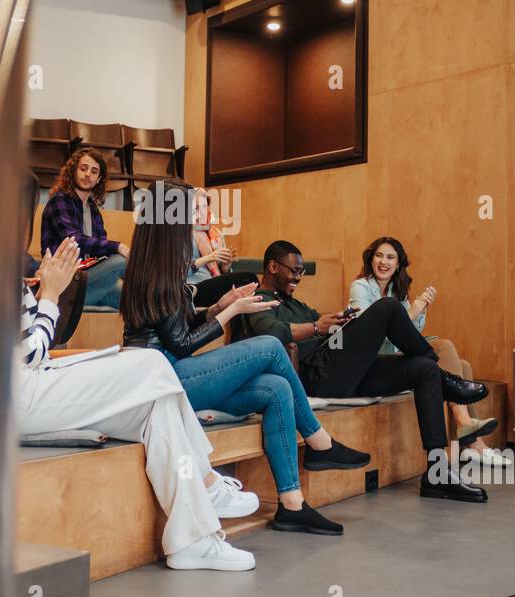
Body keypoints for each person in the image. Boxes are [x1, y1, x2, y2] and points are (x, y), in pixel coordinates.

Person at [17, 177, 262, 571]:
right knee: (151, 364)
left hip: (30, 384)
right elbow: (30, 351)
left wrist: (45, 295)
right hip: (15, 396)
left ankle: (192, 540)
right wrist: (49, 297)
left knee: (156, 410)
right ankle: (206, 480)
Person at [122, 179, 370, 536]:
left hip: (170, 373)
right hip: (164, 381)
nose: (197, 215)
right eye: (190, 208)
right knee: (270, 345)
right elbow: (179, 345)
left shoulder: (155, 264)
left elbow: (173, 326)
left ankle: (292, 505)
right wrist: (231, 311)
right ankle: (319, 441)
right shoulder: (160, 271)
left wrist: (217, 308)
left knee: (274, 389)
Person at [234, 240, 491, 503]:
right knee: (388, 307)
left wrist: (339, 322)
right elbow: (271, 333)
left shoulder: (294, 303)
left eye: (301, 272)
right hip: (316, 375)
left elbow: (320, 324)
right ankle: (446, 380)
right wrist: (316, 327)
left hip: (339, 368)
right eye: (294, 271)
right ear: (273, 267)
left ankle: (437, 475)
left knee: (423, 369)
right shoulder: (256, 300)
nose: (298, 277)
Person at [349, 237, 508, 467]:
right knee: (444, 348)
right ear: (371, 259)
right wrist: (411, 314)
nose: (384, 261)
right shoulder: (360, 287)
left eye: (390, 257)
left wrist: (421, 310)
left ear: (398, 264)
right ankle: (470, 437)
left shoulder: (398, 290)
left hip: (396, 352)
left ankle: (471, 442)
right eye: (379, 255)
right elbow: (369, 334)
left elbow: (408, 333)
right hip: (375, 359)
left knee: (463, 366)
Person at [41, 148, 129, 309]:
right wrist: (118, 246)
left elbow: (100, 248)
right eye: (83, 168)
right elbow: (74, 240)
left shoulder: (93, 209)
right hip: (64, 283)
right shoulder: (59, 201)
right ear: (73, 170)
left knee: (134, 299)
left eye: (94, 171)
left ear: (98, 179)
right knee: (121, 260)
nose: (88, 174)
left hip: (89, 277)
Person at [187, 187, 257, 308]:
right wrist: (208, 258)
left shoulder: (216, 234)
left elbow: (222, 273)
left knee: (249, 285)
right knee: (248, 279)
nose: (202, 211)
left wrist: (226, 266)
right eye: (197, 207)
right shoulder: (182, 233)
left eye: (204, 206)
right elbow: (178, 272)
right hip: (194, 287)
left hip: (214, 283)